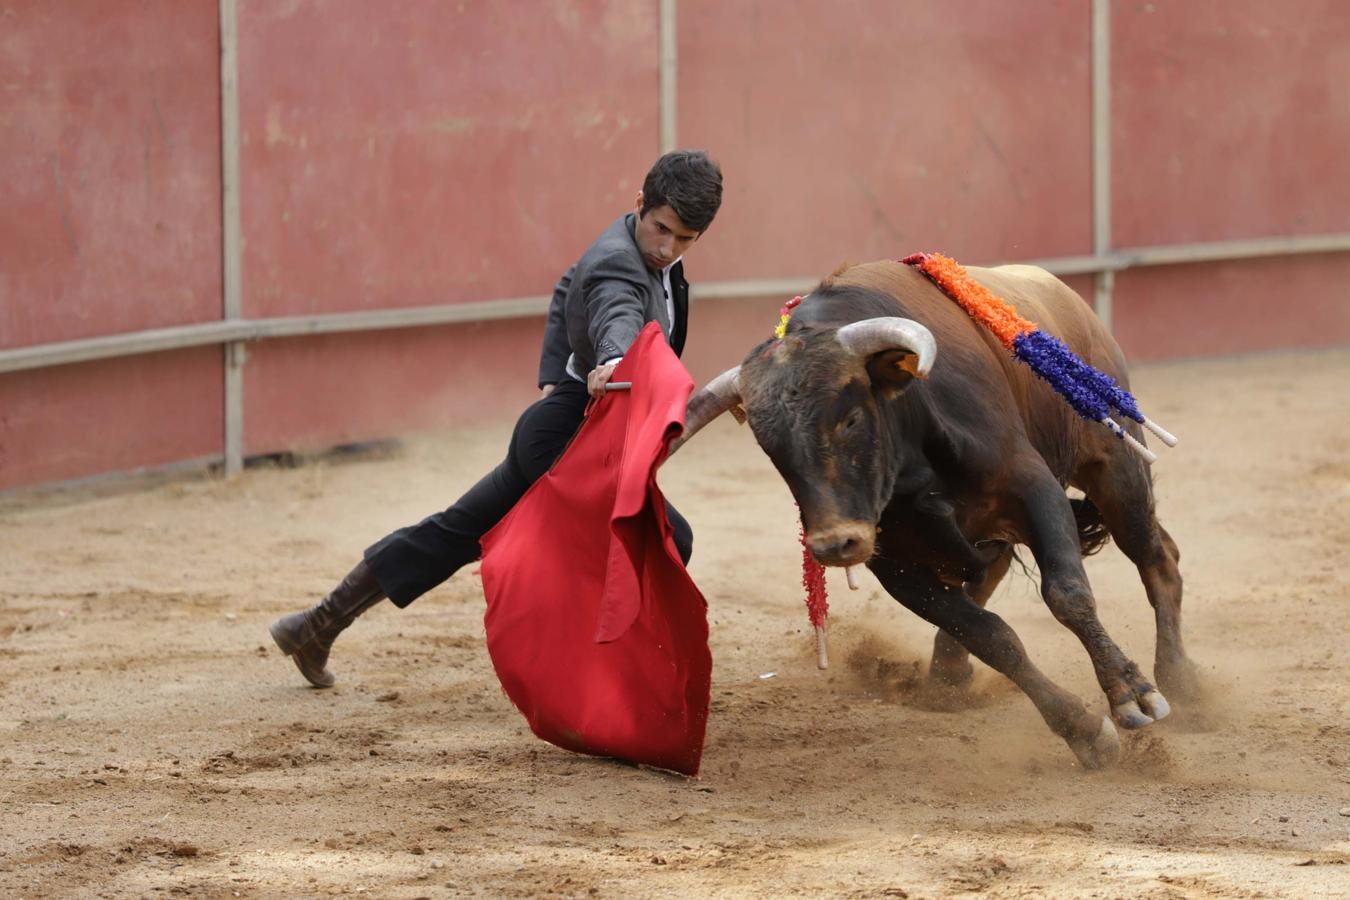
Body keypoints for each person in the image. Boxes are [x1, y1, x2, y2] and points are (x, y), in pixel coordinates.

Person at [269, 150, 724, 687]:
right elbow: (616, 312)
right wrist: (608, 361)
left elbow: (566, 286)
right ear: (639, 204)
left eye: (685, 239)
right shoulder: (619, 263)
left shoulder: (638, 248)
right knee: (669, 539)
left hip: (563, 423)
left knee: (456, 531)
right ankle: (599, 677)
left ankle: (316, 626)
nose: (667, 248)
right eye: (661, 229)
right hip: (567, 437)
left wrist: (558, 375)